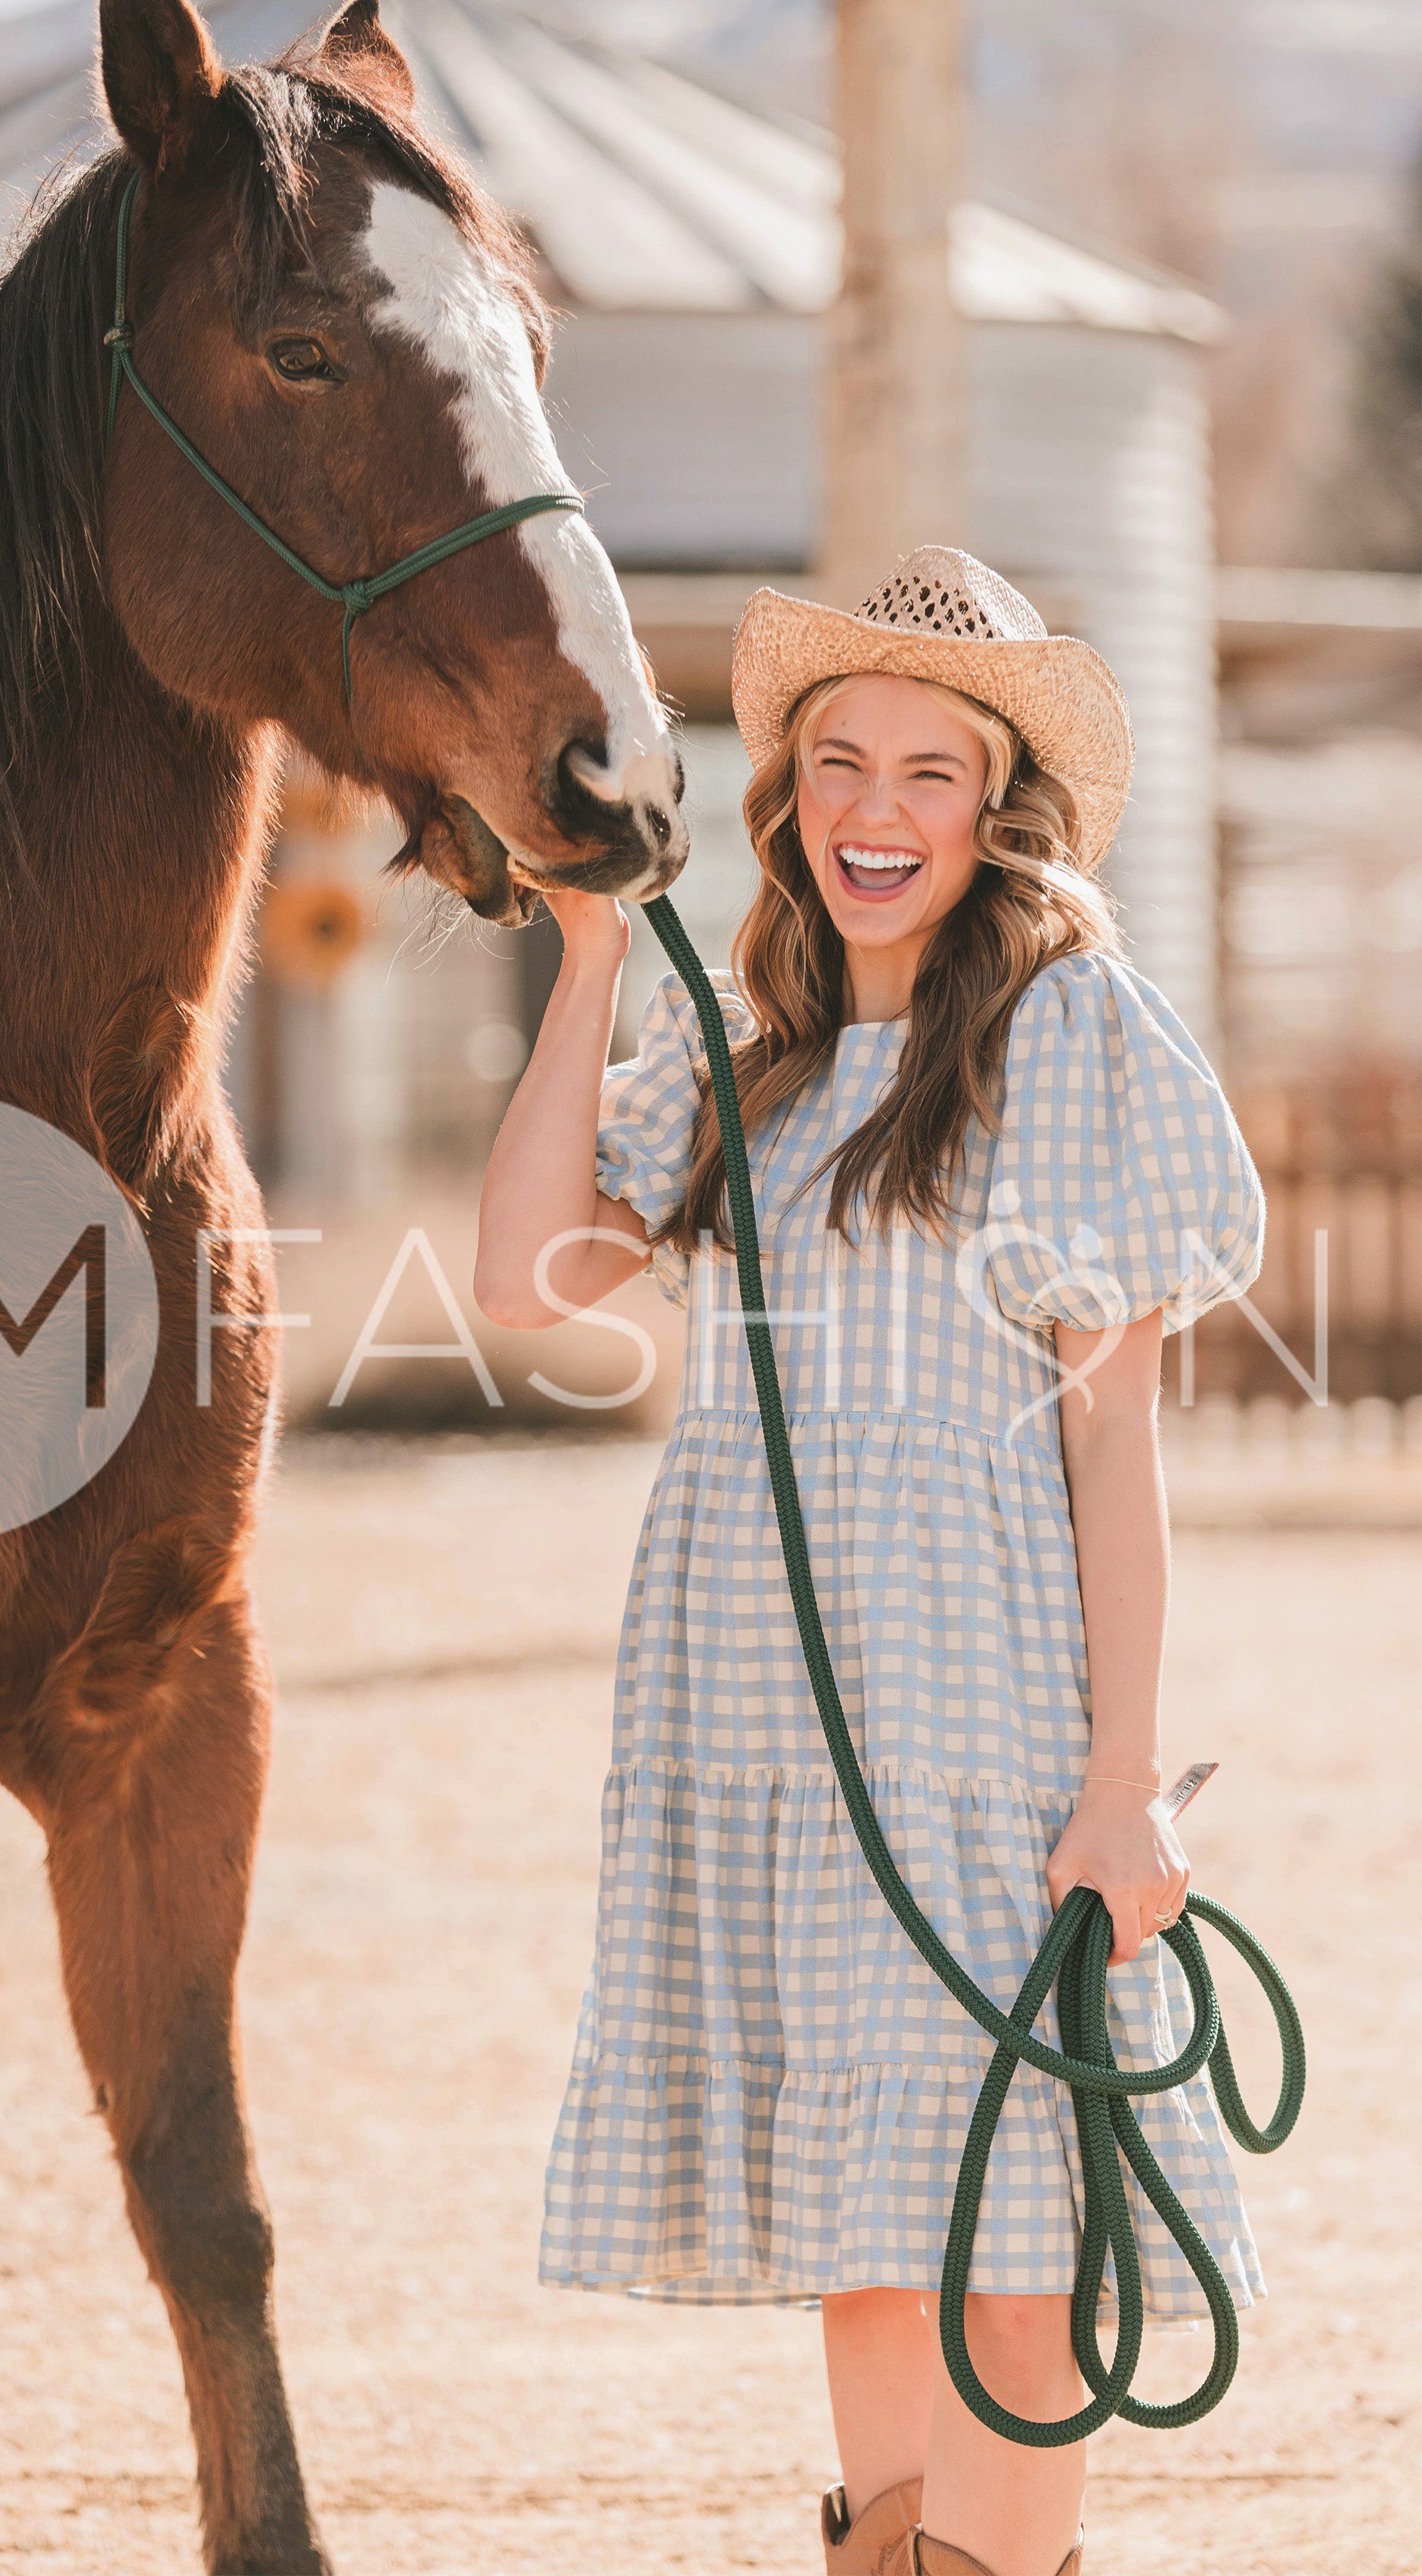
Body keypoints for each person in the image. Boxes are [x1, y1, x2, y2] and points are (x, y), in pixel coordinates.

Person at [475, 549, 1266, 2576]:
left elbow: (1116, 1441)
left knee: (1014, 2258)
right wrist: (585, 966)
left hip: (982, 1705)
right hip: (755, 1705)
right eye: (837, 760)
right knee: (867, 2244)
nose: (875, 806)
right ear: (791, 795)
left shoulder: (1071, 1028)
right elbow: (529, 1280)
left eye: (928, 764)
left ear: (994, 808)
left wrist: (1122, 1781)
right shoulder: (749, 1044)